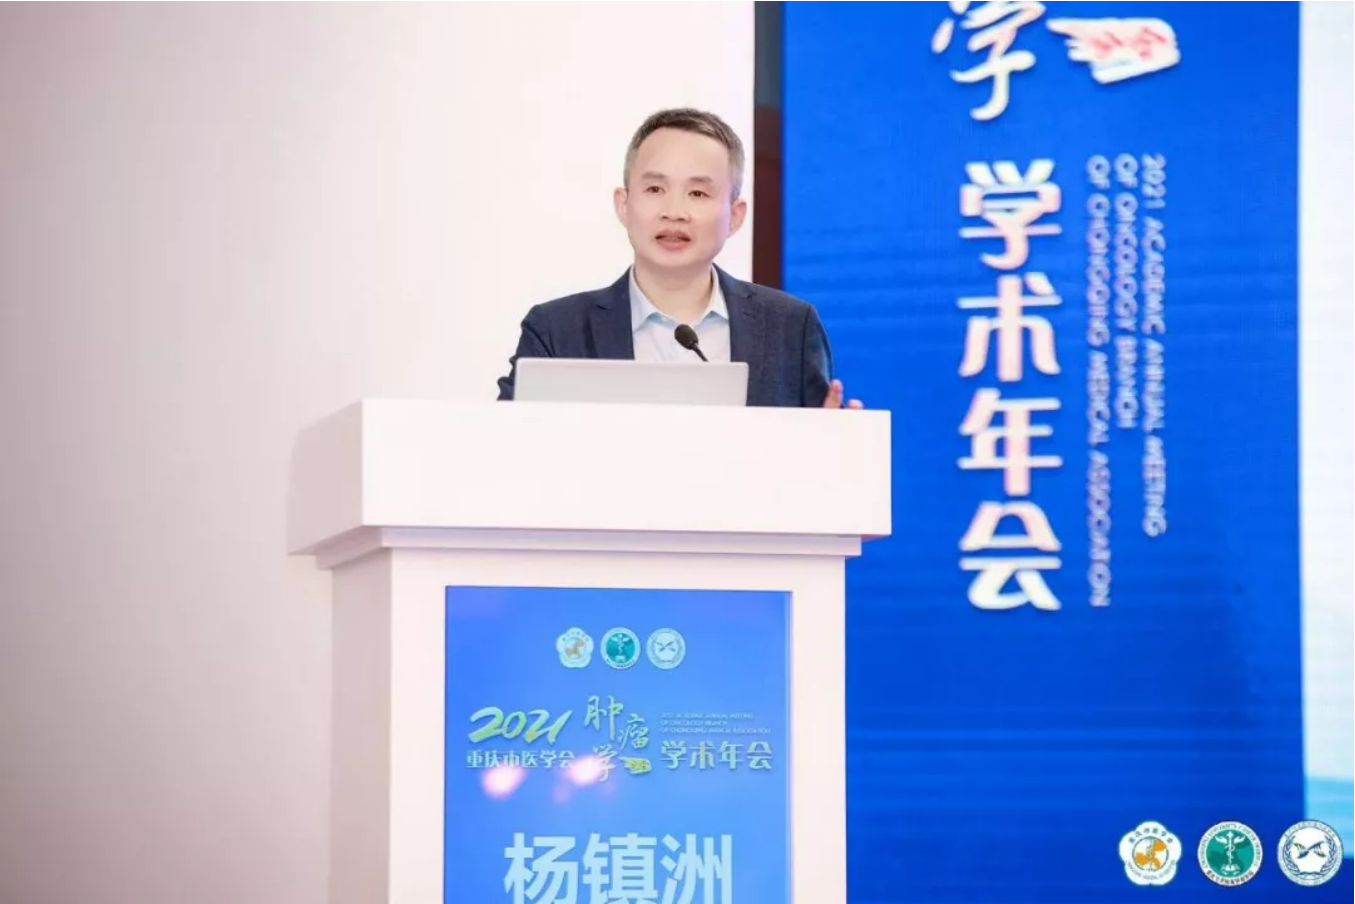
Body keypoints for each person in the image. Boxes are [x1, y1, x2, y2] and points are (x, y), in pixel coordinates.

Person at [495, 107, 862, 409]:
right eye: (655, 188)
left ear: (735, 216)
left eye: (698, 193)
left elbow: (816, 462)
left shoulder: (790, 327)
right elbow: (504, 453)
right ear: (624, 205)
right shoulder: (556, 332)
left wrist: (838, 446)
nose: (674, 211)